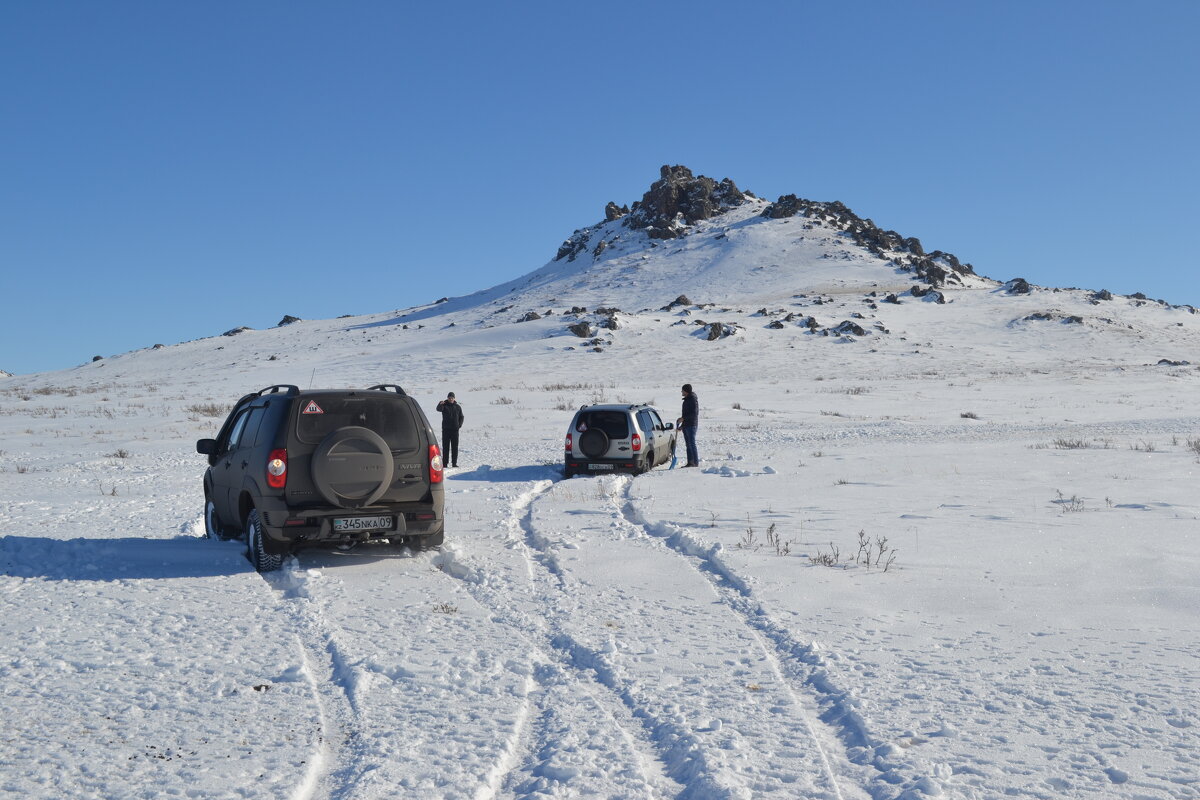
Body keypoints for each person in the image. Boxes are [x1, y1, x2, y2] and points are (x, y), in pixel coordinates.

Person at [435, 392, 464, 467]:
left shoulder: (457, 407)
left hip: (455, 430)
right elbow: (438, 409)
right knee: (445, 447)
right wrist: (440, 404)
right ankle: (445, 463)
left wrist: (459, 425)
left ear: (454, 398)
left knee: (455, 447)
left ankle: (454, 463)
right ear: (447, 398)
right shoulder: (444, 405)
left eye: (452, 398)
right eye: (449, 398)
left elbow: (461, 417)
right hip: (446, 430)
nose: (451, 399)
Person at [677, 383, 699, 467]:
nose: (681, 392)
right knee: (688, 444)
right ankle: (690, 462)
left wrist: (683, 419)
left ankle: (695, 463)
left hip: (692, 425)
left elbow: (694, 413)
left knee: (692, 444)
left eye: (682, 390)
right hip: (686, 425)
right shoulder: (687, 400)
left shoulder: (692, 399)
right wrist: (682, 426)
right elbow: (686, 414)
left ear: (686, 391)